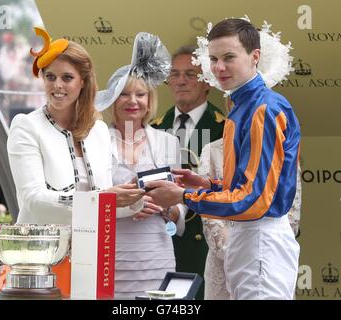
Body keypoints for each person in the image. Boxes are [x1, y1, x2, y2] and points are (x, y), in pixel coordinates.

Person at [146, 18, 301, 300]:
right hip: (249, 236)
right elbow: (247, 185)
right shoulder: (244, 107)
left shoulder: (262, 109)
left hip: (260, 236)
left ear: (255, 56)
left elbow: (254, 200)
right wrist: (204, 184)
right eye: (214, 58)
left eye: (229, 57)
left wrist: (184, 195)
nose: (219, 67)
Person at [0, 27, 144, 296]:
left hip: (95, 259)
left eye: (67, 77)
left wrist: (134, 198)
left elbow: (105, 205)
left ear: (83, 82)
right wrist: (103, 198)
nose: (57, 85)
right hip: (39, 265)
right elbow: (33, 199)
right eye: (50, 77)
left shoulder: (99, 130)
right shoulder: (26, 126)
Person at [96, 32, 186, 299]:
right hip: (111, 255)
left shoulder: (168, 142)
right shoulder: (95, 141)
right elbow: (88, 198)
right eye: (123, 94)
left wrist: (169, 209)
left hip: (157, 254)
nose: (132, 101)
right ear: (112, 100)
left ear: (149, 102)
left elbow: (181, 201)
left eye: (140, 94)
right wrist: (124, 201)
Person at [151, 45, 225, 299]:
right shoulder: (152, 129)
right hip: (160, 241)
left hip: (203, 243)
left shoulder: (226, 129)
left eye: (190, 74)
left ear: (207, 82)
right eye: (174, 74)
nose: (181, 80)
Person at [199, 138, 302, 299]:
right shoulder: (212, 150)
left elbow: (291, 211)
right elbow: (209, 212)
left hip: (272, 256)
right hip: (224, 261)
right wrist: (235, 252)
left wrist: (257, 249)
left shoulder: (283, 149)